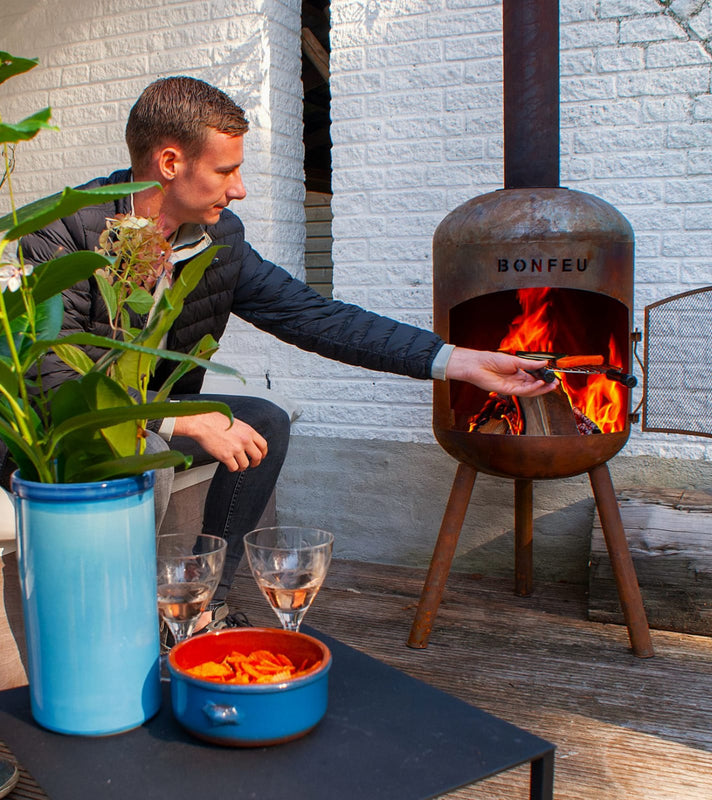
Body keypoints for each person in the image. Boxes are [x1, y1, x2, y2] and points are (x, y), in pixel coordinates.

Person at [19, 76, 556, 627]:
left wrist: (457, 361)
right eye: (226, 171)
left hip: (150, 421)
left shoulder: (219, 240)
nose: (240, 189)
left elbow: (311, 315)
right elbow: (49, 376)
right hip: (59, 437)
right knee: (147, 459)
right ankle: (120, 621)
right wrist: (181, 421)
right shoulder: (60, 233)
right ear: (170, 162)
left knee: (266, 420)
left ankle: (204, 607)